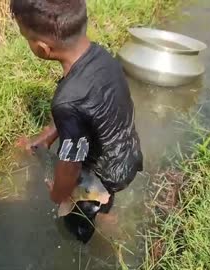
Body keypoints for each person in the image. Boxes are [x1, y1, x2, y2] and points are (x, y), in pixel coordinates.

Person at [12, 0, 143, 242]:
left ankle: (92, 240)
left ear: (42, 48)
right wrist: (48, 135)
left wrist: (60, 195)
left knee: (76, 223)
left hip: (103, 173)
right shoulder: (102, 57)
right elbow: (88, 113)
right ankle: (106, 214)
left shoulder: (68, 101)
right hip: (127, 155)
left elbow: (71, 164)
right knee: (104, 199)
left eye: (25, 37)